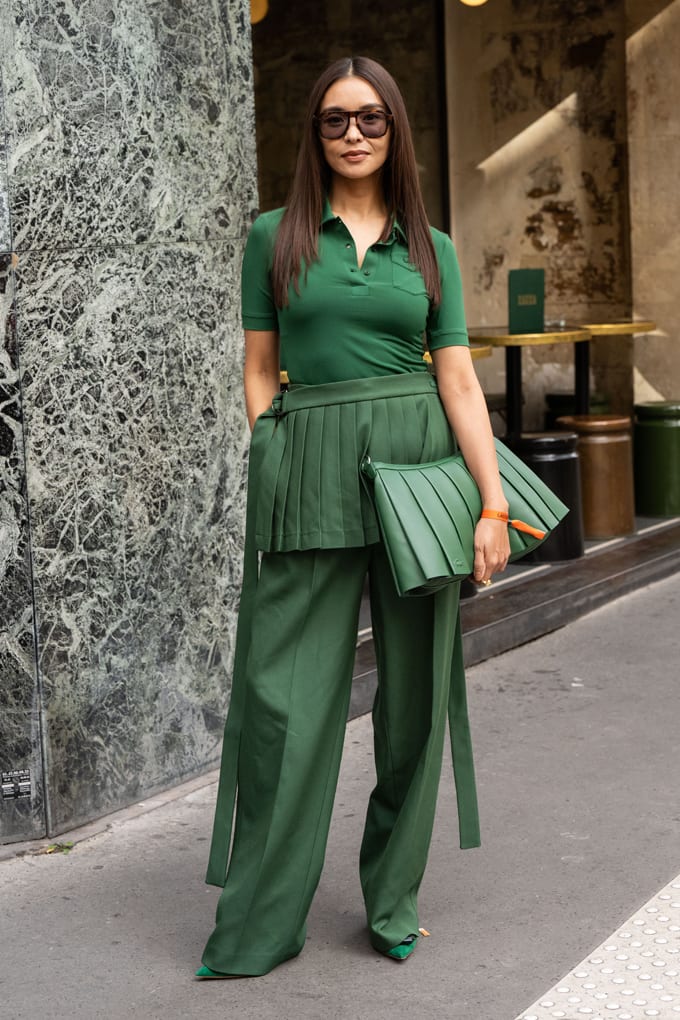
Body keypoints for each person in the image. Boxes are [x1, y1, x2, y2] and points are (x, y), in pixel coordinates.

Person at [196, 55, 510, 979]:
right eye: (336, 121)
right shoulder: (272, 238)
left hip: (421, 475)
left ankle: (394, 902)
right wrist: (272, 447)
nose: (355, 135)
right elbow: (260, 365)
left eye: (371, 119)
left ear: (396, 129)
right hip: (309, 474)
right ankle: (259, 924)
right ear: (314, 135)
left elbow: (456, 378)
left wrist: (490, 504)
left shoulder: (433, 248)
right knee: (284, 706)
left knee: (412, 704)